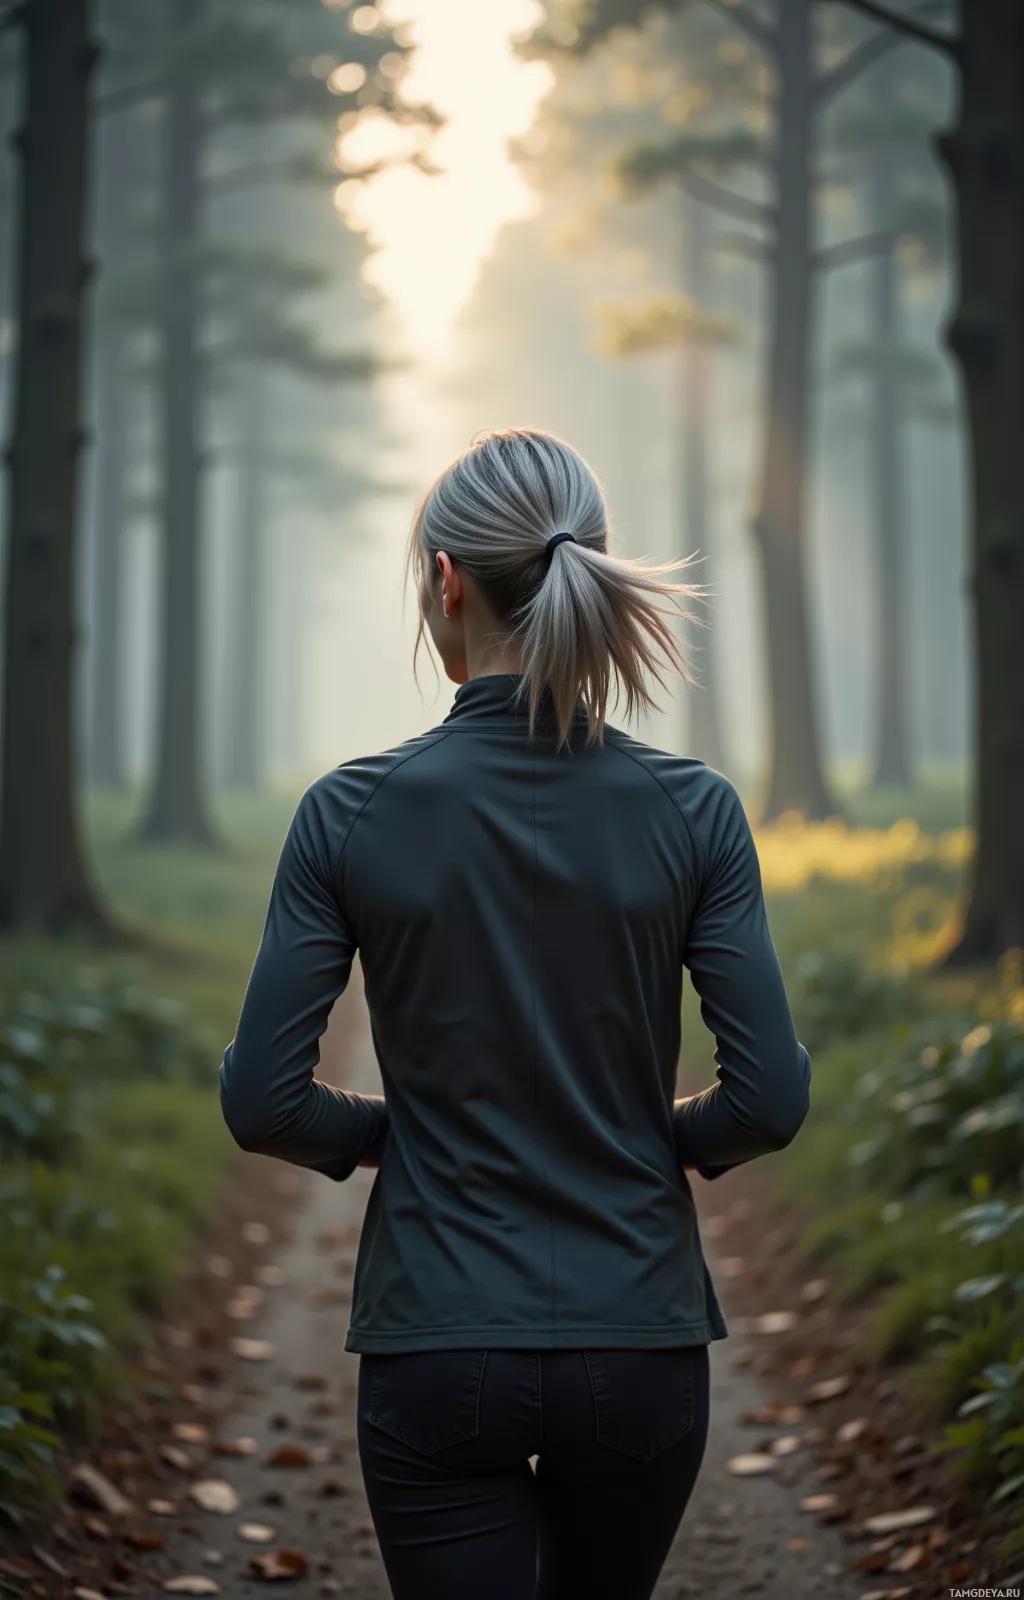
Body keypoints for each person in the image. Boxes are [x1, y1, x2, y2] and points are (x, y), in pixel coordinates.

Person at [220, 427, 811, 1600]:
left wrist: (390, 1135)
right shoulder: (693, 810)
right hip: (639, 1346)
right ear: (587, 572)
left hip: (435, 1346)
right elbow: (770, 1099)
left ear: (446, 581)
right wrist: (664, 1141)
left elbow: (263, 1101)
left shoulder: (348, 813)